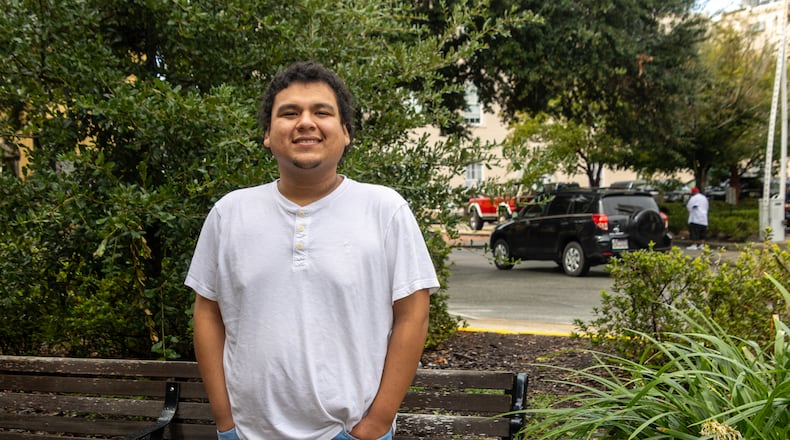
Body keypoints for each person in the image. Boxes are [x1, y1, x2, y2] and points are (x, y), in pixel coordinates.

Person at [186, 61, 439, 440]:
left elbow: (413, 316)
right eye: (289, 113)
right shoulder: (229, 213)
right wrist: (226, 421)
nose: (306, 122)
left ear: (346, 132)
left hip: (351, 433)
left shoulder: (385, 210)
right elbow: (208, 312)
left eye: (322, 112)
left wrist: (377, 423)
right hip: (248, 435)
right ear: (268, 135)